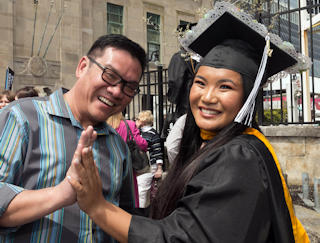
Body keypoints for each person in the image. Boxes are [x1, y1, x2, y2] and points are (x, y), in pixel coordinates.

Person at [67, 2, 310, 242]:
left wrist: (98, 207)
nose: (207, 97)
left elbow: (182, 238)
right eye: (201, 83)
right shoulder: (206, 143)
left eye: (225, 87)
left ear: (247, 97)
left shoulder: (239, 156)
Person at [0, 34, 146, 242]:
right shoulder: (22, 118)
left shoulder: (118, 147)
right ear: (82, 67)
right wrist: (61, 194)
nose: (116, 91)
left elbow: (124, 217)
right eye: (110, 75)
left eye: (129, 87)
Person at [107, 111, 148, 208]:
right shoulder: (129, 124)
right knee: (129, 196)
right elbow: (142, 144)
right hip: (127, 166)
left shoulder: (104, 125)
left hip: (108, 166)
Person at [136, 110, 164, 178]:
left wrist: (159, 168)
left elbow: (157, 151)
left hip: (150, 165)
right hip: (139, 164)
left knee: (143, 187)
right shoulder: (138, 131)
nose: (136, 120)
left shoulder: (152, 134)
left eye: (138, 119)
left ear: (143, 120)